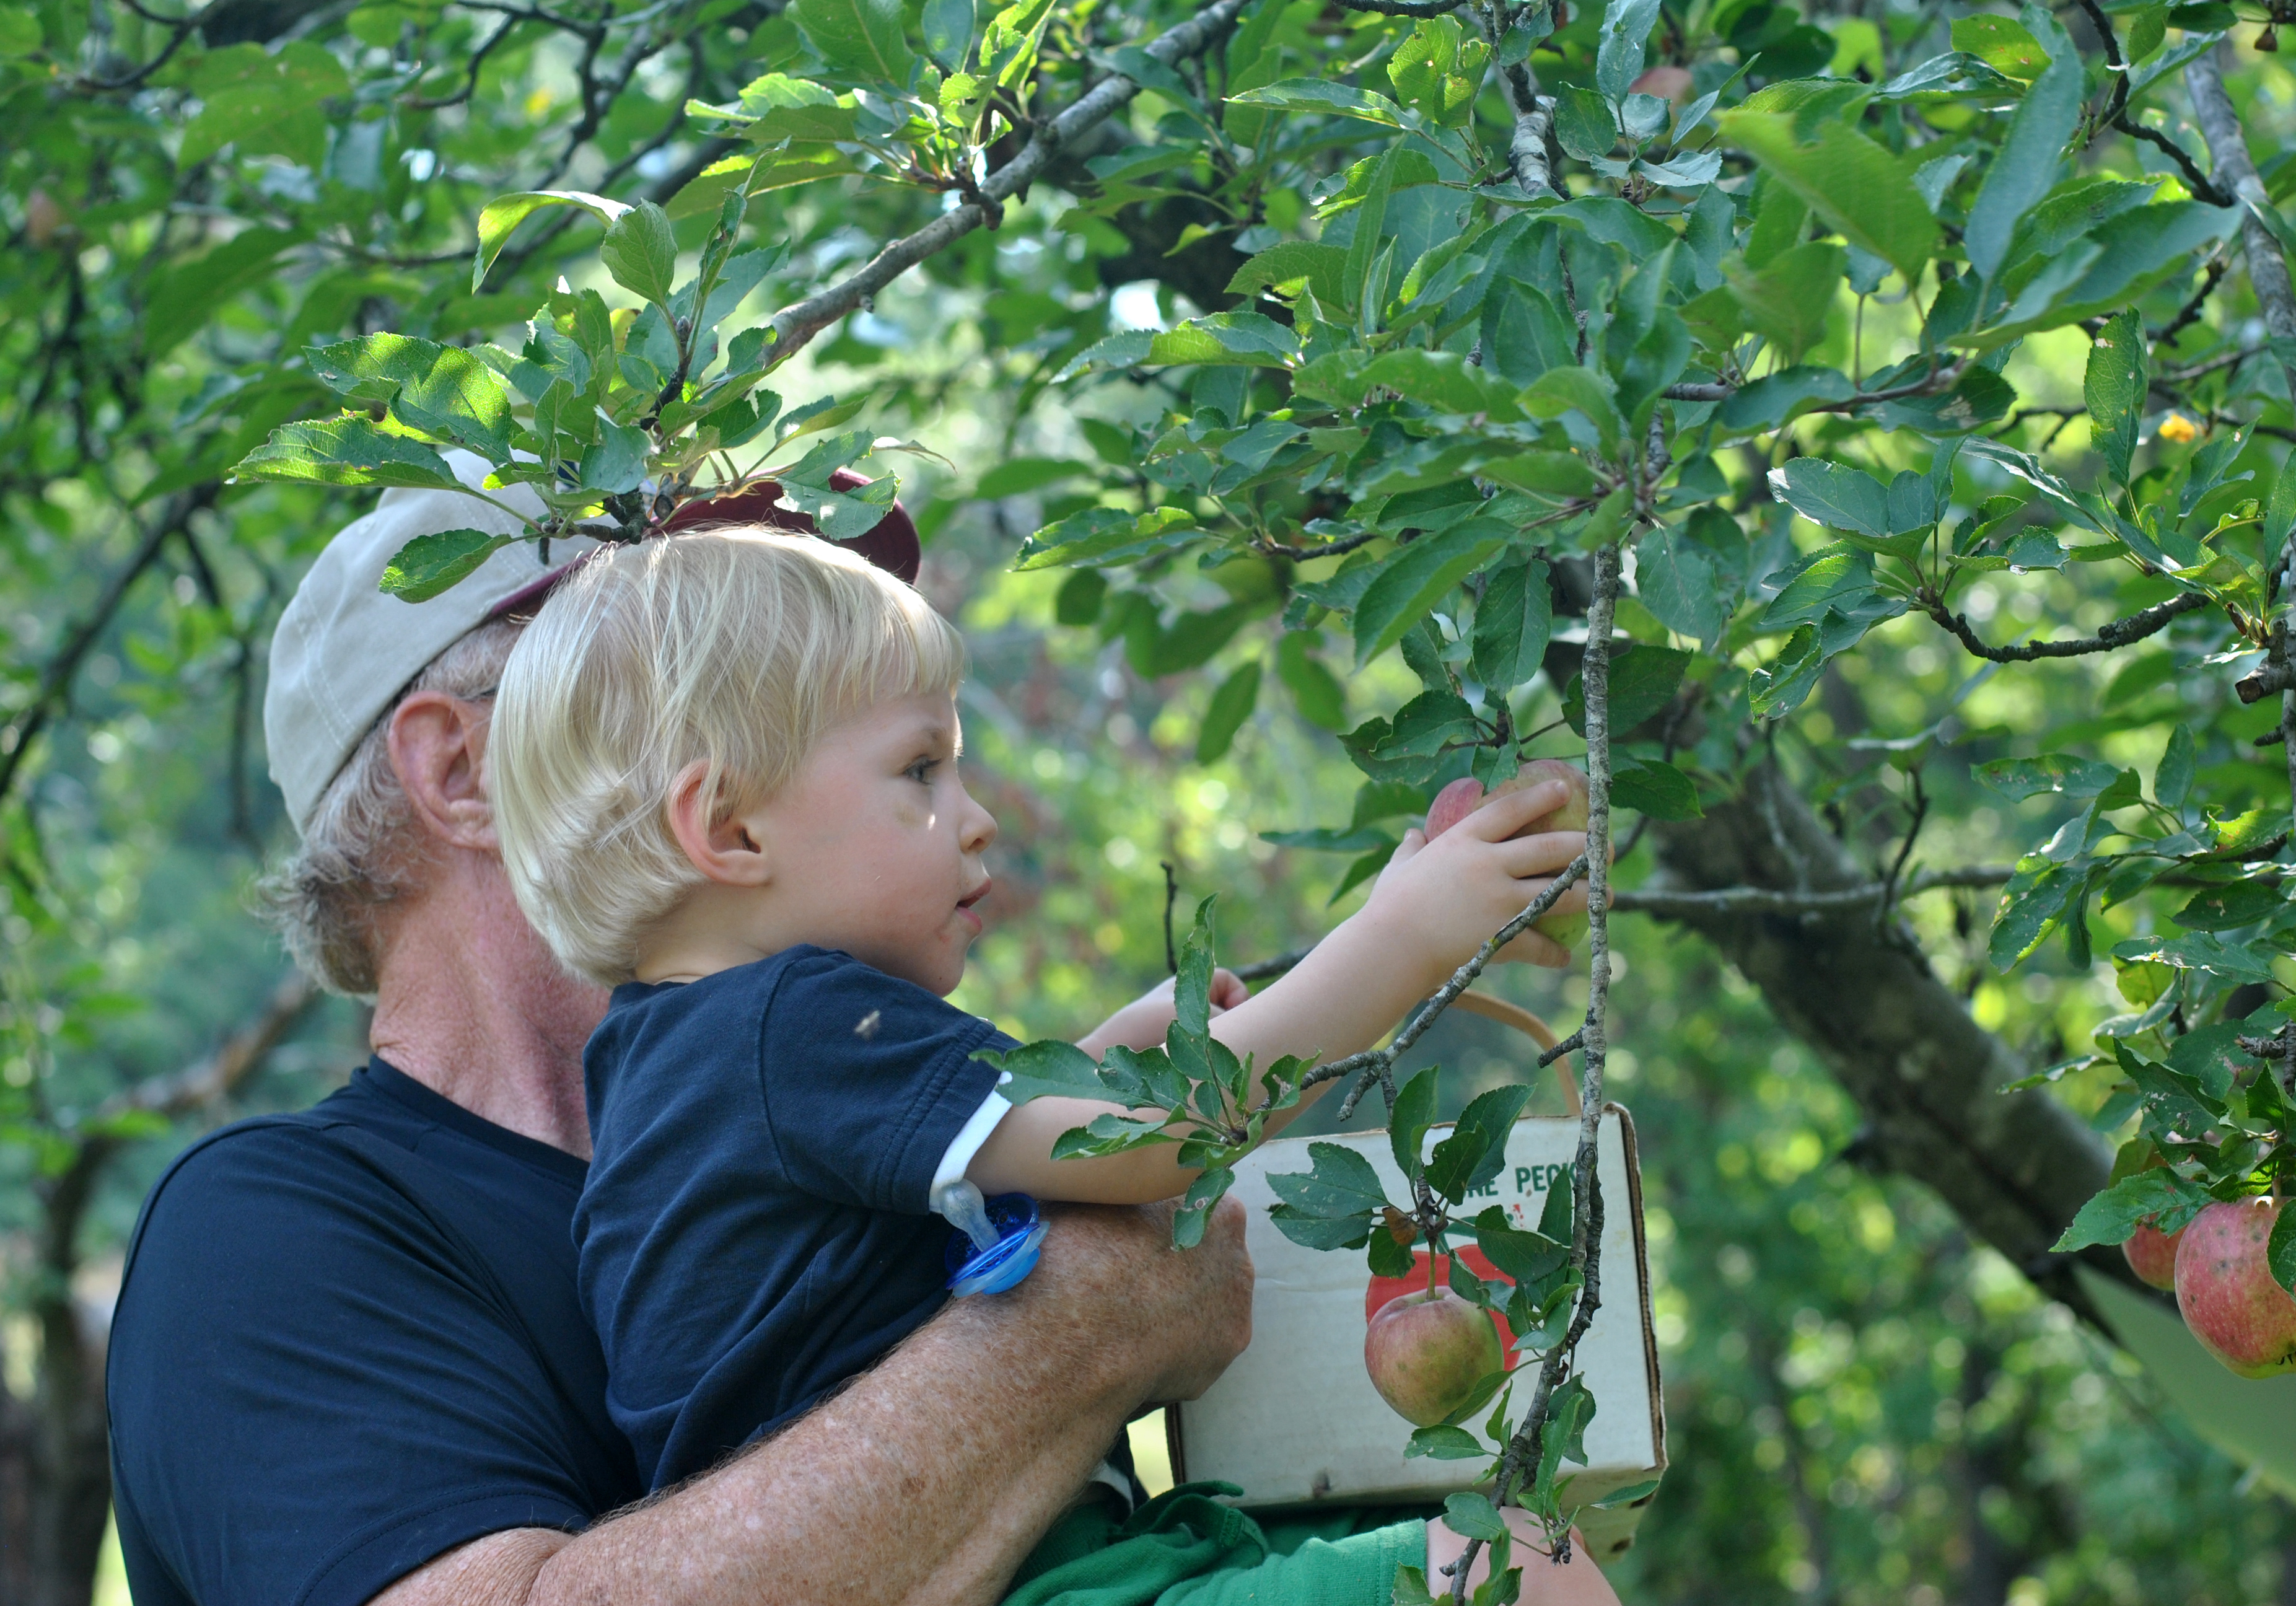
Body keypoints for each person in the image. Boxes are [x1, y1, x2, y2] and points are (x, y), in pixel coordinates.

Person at [102, 463, 1621, 1606]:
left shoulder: (777, 1096)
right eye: (671, 649)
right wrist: (1069, 1326)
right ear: (460, 773)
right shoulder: (271, 1239)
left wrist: (1431, 928)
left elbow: (1071, 1136)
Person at [480, 528, 1590, 1506]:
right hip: (1036, 1581)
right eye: (921, 769)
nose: (976, 820)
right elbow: (1164, 1145)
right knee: (1510, 1579)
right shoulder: (793, 1026)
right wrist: (1406, 936)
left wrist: (1107, 1058)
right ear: (730, 831)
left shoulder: (672, 1058)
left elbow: (966, 1187)